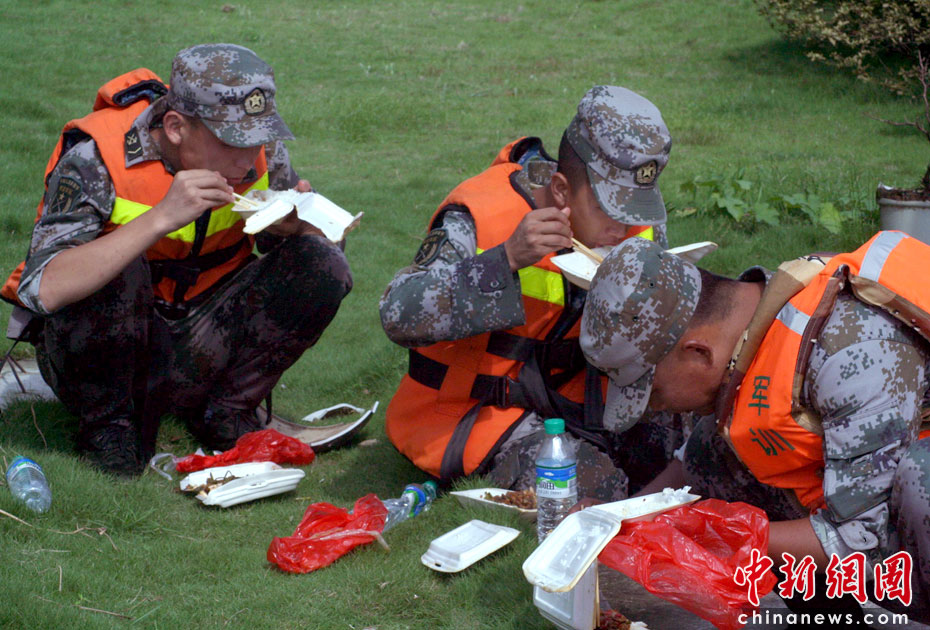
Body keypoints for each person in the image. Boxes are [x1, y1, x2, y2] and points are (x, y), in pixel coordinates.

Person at [1, 44, 352, 476]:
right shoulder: (96, 160)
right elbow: (44, 288)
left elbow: (316, 266)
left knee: (323, 263)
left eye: (258, 138)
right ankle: (109, 428)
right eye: (231, 142)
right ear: (175, 127)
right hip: (102, 354)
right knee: (117, 261)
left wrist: (298, 228)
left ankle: (226, 413)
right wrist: (158, 219)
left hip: (200, 341)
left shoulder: (261, 155)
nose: (248, 159)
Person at [580, 233, 930, 618]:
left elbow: (860, 543)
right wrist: (617, 517)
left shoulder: (851, 351)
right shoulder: (754, 323)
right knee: (717, 453)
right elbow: (693, 464)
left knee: (922, 478)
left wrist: (707, 530)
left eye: (653, 390)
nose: (652, 407)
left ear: (698, 352)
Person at [380, 85, 680, 500]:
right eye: (612, 209)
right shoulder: (480, 216)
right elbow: (397, 314)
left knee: (696, 454)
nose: (624, 227)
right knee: (592, 488)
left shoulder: (634, 222)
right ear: (560, 191)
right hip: (480, 411)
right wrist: (504, 260)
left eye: (638, 209)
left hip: (586, 397)